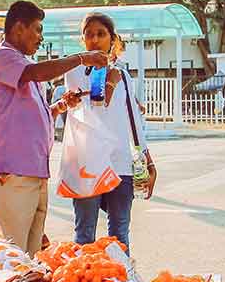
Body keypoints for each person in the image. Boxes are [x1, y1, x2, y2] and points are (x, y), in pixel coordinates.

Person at [0, 1, 108, 255]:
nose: (40, 38)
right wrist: (81, 58)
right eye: (37, 30)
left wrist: (60, 106)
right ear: (19, 28)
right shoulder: (3, 57)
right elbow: (37, 73)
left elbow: (32, 115)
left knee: (28, 257)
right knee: (10, 256)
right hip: (12, 172)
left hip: (33, 171)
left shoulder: (22, 63)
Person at [64, 13, 157, 248]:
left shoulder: (122, 75)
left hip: (120, 162)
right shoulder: (74, 72)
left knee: (119, 234)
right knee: (85, 234)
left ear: (112, 39)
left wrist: (147, 159)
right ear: (82, 40)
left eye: (101, 34)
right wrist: (108, 81)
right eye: (89, 35)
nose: (95, 40)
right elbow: (96, 104)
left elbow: (133, 119)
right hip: (87, 163)